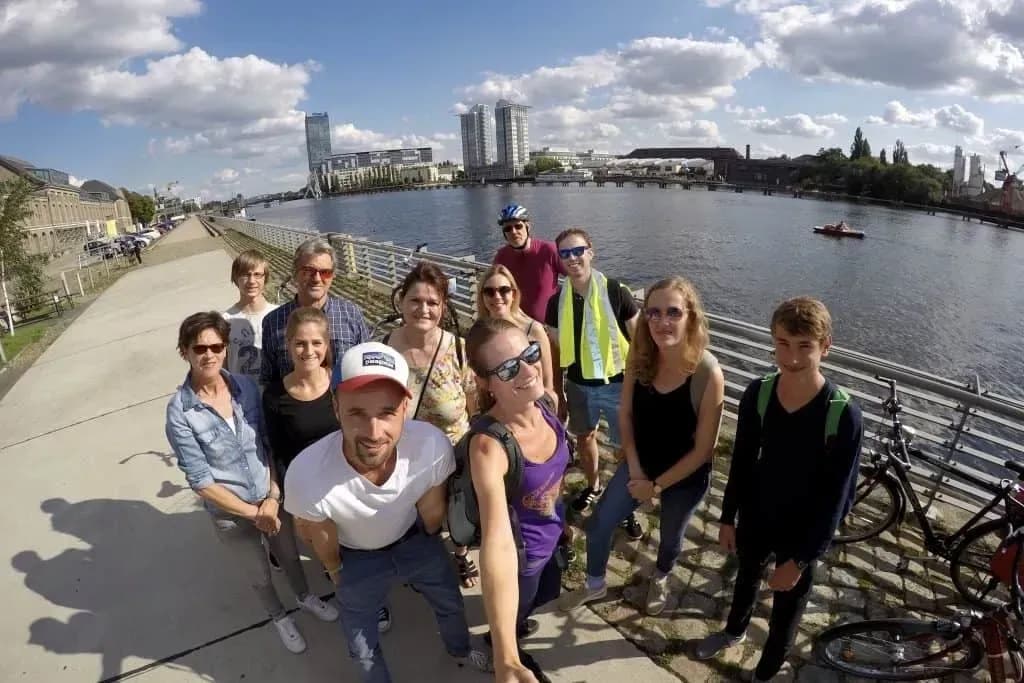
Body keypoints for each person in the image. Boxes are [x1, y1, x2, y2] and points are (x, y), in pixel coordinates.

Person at [284, 342, 491, 682]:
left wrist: (429, 544)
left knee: (451, 602)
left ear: (406, 407)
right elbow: (318, 534)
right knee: (361, 645)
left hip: (416, 541)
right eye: (356, 413)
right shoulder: (307, 474)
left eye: (387, 412)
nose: (374, 432)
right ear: (335, 408)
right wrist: (337, 572)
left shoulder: (431, 446)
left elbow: (432, 512)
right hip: (356, 558)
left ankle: (460, 649)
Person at [696, 297, 863, 682]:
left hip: (802, 528)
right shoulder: (760, 393)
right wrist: (727, 517)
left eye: (804, 346)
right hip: (757, 512)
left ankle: (767, 670)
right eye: (783, 344)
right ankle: (734, 631)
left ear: (826, 347)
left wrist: (802, 559)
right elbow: (741, 460)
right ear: (773, 341)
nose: (791, 357)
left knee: (788, 608)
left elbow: (839, 498)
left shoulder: (843, 414)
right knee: (746, 576)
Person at [164, 312, 338, 655]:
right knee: (259, 573)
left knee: (289, 557)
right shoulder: (180, 413)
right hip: (232, 513)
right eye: (200, 348)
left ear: (225, 349)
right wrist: (253, 512)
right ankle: (278, 617)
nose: (209, 355)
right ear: (184, 351)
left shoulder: (244, 388)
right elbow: (201, 481)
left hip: (270, 500)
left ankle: (305, 597)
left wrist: (273, 495)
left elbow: (267, 444)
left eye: (216, 346)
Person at [559, 277, 725, 616]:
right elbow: (626, 416)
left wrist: (657, 487)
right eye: (654, 313)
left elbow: (703, 450)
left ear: (690, 316)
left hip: (685, 473)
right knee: (600, 524)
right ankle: (594, 584)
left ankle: (661, 575)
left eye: (673, 312)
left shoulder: (707, 372)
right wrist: (635, 470)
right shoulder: (640, 356)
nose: (662, 322)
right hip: (642, 464)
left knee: (670, 536)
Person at [263, 306, 392, 632]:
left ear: (327, 345)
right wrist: (284, 498)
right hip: (312, 494)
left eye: (316, 343)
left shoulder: (343, 383)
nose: (309, 351)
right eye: (301, 344)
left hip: (351, 482)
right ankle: (351, 598)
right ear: (288, 345)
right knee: (331, 558)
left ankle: (375, 599)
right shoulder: (275, 396)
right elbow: (276, 451)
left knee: (361, 548)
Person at [466, 317, 573, 683]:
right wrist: (506, 658)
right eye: (508, 368)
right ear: (486, 383)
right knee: (518, 607)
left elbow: (556, 477)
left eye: (530, 354)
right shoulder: (489, 447)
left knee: (537, 600)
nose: (528, 370)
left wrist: (563, 522)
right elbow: (496, 542)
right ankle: (503, 643)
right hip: (522, 556)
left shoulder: (545, 402)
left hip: (552, 538)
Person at [383, 262, 480, 588]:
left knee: (456, 513)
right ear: (402, 301)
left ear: (443, 307)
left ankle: (461, 553)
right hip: (403, 458)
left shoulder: (459, 350)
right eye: (415, 300)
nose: (423, 309)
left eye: (432, 303)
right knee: (414, 518)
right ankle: (420, 560)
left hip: (452, 455)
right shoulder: (383, 348)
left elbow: (471, 403)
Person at [543, 228, 643, 539]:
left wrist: (639, 389)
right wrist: (556, 390)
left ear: (591, 251)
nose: (573, 258)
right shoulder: (555, 302)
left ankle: (626, 504)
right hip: (577, 385)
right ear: (560, 260)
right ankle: (594, 485)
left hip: (617, 385)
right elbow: (555, 350)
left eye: (578, 250)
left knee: (626, 447)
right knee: (585, 438)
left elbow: (640, 343)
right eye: (565, 253)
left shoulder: (616, 292)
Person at [261, 236, 368, 385]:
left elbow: (366, 369)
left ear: (333, 276)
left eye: (325, 272)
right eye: (308, 271)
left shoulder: (351, 314)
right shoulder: (273, 322)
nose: (317, 278)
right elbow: (269, 380)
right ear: (295, 274)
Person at [474, 264, 555, 405]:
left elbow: (548, 381)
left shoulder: (534, 330)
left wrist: (547, 410)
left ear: (514, 294)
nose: (497, 297)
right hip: (500, 409)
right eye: (489, 292)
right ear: (482, 296)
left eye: (504, 290)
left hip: (535, 407)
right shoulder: (480, 335)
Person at [492, 204, 564, 323]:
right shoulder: (501, 256)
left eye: (518, 226)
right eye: (508, 229)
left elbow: (575, 276)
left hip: (549, 326)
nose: (514, 232)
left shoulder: (548, 250)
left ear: (527, 227)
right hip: (517, 325)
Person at [224, 250, 278, 382]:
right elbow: (223, 368)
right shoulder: (225, 320)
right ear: (235, 278)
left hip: (273, 397)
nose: (252, 281)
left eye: (258, 274)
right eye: (245, 275)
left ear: (265, 278)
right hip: (242, 397)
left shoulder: (279, 315)